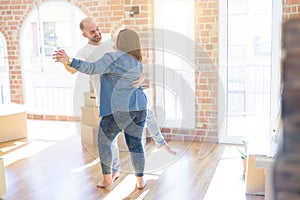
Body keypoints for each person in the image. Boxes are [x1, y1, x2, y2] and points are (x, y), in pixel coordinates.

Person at [65, 18, 176, 157]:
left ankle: (160, 142)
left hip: (129, 94)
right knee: (110, 139)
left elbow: (132, 59)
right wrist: (66, 61)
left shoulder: (111, 44)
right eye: (92, 32)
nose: (97, 33)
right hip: (108, 99)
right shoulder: (84, 52)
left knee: (148, 114)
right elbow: (72, 70)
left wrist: (141, 77)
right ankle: (114, 170)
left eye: (98, 29)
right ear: (85, 35)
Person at [54, 28, 149, 189]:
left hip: (118, 110)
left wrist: (69, 60)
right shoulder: (137, 60)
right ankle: (140, 181)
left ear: (121, 42)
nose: (113, 39)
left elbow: (91, 68)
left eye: (116, 37)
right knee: (135, 145)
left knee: (104, 142)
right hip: (139, 108)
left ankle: (107, 179)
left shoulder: (112, 57)